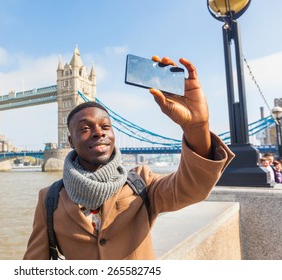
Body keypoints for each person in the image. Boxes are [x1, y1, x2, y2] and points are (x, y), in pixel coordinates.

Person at [23, 55, 235, 260]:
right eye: (85, 128)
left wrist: (196, 128)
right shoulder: (49, 199)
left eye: (106, 126)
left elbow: (193, 189)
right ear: (70, 141)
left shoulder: (141, 182)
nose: (99, 132)